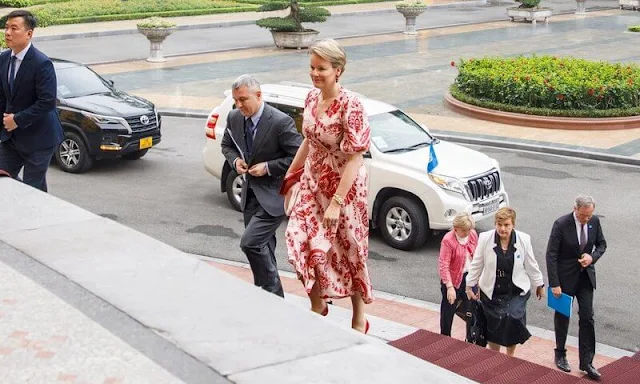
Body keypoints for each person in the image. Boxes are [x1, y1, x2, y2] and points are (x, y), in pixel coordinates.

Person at [285, 39, 372, 334]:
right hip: (312, 181)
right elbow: (309, 141)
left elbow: (355, 158)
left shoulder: (352, 105)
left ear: (338, 70)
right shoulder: (310, 99)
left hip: (344, 188)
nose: (315, 73)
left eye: (321, 68)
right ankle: (317, 302)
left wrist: (336, 202)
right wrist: (291, 175)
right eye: (312, 67)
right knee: (296, 239)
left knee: (349, 248)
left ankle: (359, 313)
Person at [220, 74, 302, 297]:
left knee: (250, 243)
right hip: (249, 195)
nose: (239, 105)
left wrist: (267, 167)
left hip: (274, 197)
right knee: (264, 248)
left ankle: (273, 293)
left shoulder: (280, 121)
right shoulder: (234, 117)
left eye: (243, 99)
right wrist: (235, 161)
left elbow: (298, 157)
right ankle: (265, 295)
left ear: (258, 95)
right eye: (236, 100)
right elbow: (227, 145)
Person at [466, 207, 545, 357]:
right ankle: (495, 355)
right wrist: (470, 285)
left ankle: (510, 356)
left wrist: (539, 284)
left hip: (515, 290)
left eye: (507, 225)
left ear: (513, 224)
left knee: (512, 318)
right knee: (494, 323)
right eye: (499, 224)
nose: (502, 229)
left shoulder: (524, 239)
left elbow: (531, 264)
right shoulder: (485, 238)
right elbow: (477, 263)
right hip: (492, 290)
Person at [0, 10, 63, 192]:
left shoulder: (41, 63)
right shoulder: (3, 60)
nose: (8, 33)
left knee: (32, 189)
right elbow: (2, 98)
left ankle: (39, 214)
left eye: (14, 28)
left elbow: (47, 102)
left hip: (39, 138)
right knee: (4, 178)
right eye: (6, 28)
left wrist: (17, 120)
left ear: (29, 33)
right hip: (12, 138)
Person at [546, 195, 606, 380]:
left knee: (587, 317)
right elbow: (551, 255)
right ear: (575, 209)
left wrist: (592, 257)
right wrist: (554, 283)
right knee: (563, 316)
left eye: (589, 215)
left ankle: (587, 361)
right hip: (565, 279)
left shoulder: (594, 221)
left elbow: (602, 244)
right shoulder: (561, 224)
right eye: (582, 215)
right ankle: (561, 353)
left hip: (585, 278)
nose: (586, 219)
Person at [438, 212, 478, 337]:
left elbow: (476, 256)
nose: (468, 232)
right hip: (453, 280)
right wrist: (450, 287)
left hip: (469, 277)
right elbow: (444, 265)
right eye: (465, 230)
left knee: (472, 310)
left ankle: (471, 337)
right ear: (456, 229)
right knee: (448, 311)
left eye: (469, 229)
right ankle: (445, 337)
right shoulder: (448, 240)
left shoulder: (472, 234)